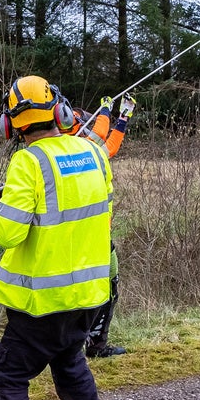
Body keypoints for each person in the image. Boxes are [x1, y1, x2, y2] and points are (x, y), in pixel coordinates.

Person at [0, 75, 116, 400]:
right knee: (70, 362)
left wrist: (3, 204)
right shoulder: (93, 150)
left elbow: (9, 234)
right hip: (89, 297)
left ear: (10, 124)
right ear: (61, 110)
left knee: (6, 375)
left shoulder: (28, 163)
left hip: (38, 302)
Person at [65, 95, 136, 358]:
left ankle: (94, 344)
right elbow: (100, 135)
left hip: (97, 235)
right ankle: (82, 345)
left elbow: (110, 144)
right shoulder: (80, 150)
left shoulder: (92, 151)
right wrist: (107, 110)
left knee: (108, 285)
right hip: (85, 237)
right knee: (93, 290)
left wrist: (123, 117)